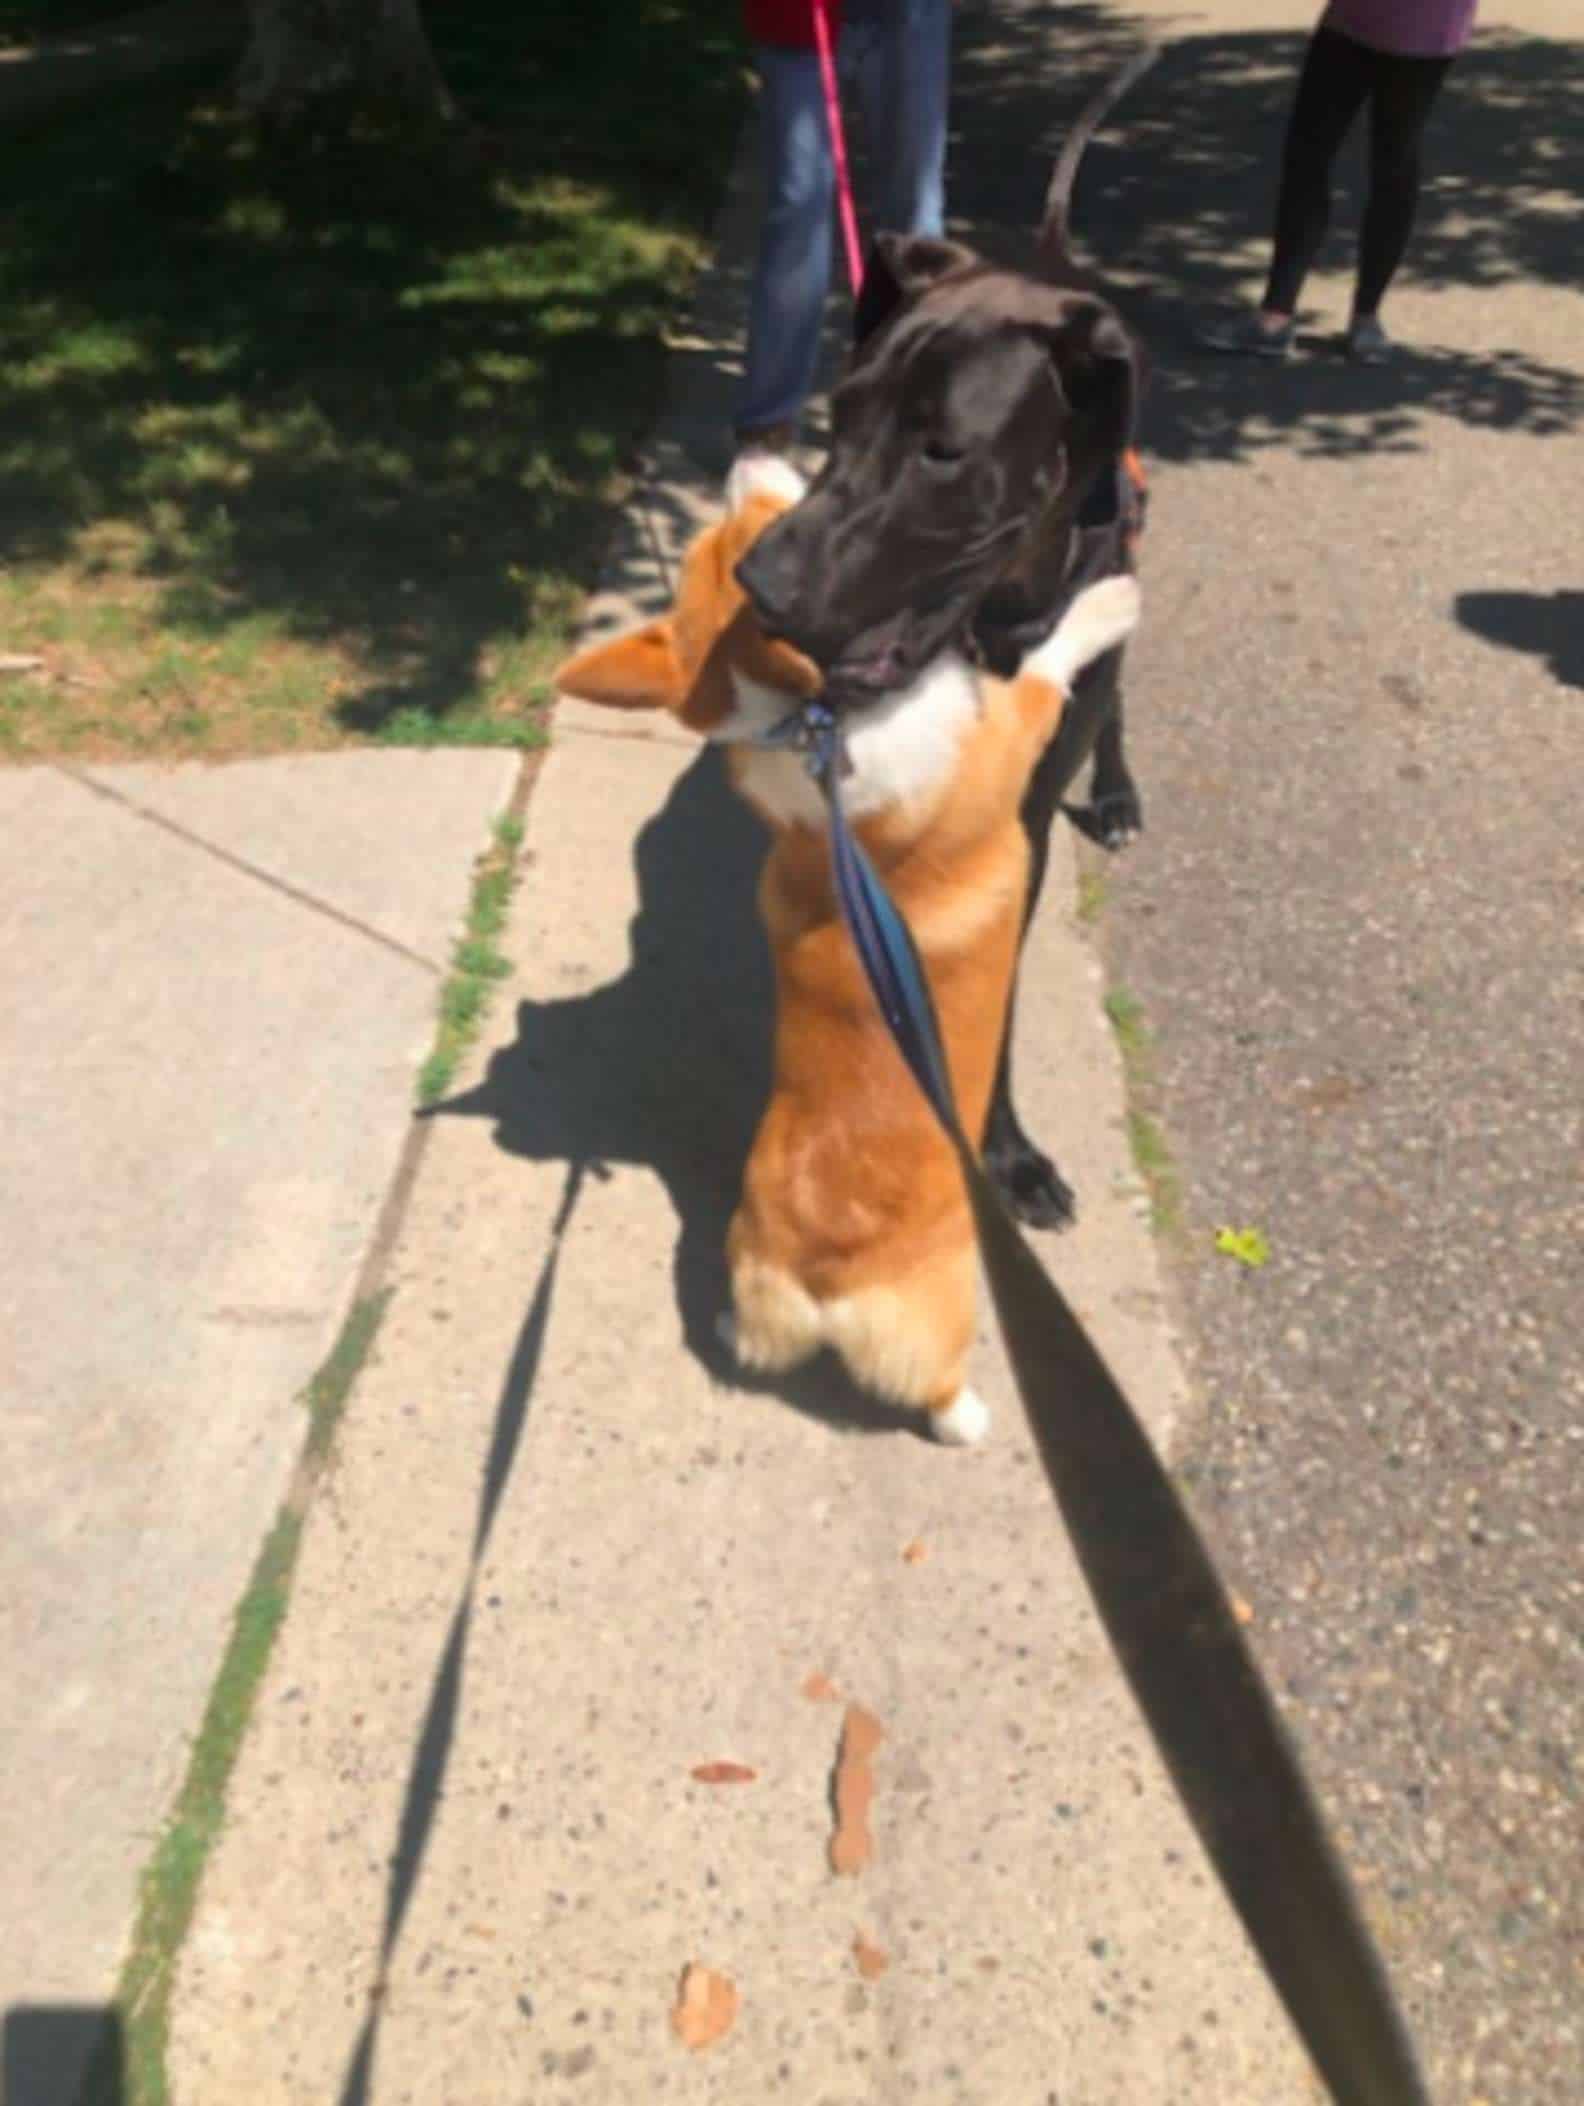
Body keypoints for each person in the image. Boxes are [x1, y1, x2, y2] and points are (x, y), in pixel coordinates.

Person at [1199, 0, 1478, 363]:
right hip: (1390, 23)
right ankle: (1332, 319)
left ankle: (1320, 317)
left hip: (1401, 26)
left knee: (1361, 159)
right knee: (1348, 158)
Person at [735, 0, 952, 459]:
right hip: (796, 14)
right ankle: (766, 426)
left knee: (916, 218)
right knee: (798, 207)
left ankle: (911, 408)